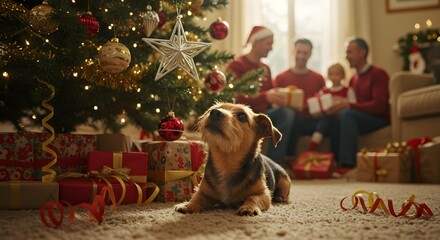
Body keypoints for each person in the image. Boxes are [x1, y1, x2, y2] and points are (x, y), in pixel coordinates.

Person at [226, 26, 295, 169]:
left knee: (288, 113)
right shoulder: (237, 64)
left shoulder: (266, 68)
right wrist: (266, 97)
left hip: (264, 114)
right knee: (286, 114)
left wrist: (276, 96)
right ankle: (275, 164)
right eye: (269, 43)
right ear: (256, 42)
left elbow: (269, 94)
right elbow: (235, 96)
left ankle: (275, 163)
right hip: (243, 115)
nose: (271, 47)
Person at [326, 37, 390, 169]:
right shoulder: (353, 79)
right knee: (336, 116)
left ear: (362, 53)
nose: (346, 56)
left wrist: (348, 105)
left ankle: (347, 165)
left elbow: (380, 106)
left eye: (349, 52)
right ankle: (333, 163)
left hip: (378, 119)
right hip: (359, 118)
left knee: (347, 114)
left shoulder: (379, 74)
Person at [272, 38, 326, 157]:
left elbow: (323, 101)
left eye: (305, 53)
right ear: (293, 52)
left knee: (329, 120)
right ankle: (289, 158)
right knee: (292, 116)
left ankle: (338, 164)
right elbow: (275, 106)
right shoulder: (281, 78)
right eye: (298, 52)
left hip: (313, 121)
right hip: (293, 121)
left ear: (310, 54)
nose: (301, 56)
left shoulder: (318, 79)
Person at [307, 63, 356, 151]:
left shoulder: (348, 90)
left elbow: (353, 105)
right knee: (325, 121)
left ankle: (313, 146)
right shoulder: (323, 91)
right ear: (328, 76)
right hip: (326, 119)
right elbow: (319, 107)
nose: (334, 77)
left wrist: (342, 102)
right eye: (331, 74)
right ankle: (313, 146)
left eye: (337, 74)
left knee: (333, 124)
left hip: (340, 120)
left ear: (342, 76)